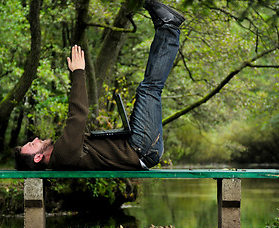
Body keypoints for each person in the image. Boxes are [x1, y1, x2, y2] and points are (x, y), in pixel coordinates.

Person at [14, 0, 185, 171]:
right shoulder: (63, 155)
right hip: (141, 148)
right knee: (149, 89)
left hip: (138, 146)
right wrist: (78, 72)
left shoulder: (62, 154)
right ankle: (169, 28)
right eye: (32, 144)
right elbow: (78, 115)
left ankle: (165, 27)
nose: (35, 139)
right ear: (38, 157)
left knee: (148, 89)